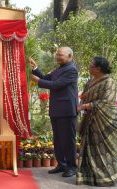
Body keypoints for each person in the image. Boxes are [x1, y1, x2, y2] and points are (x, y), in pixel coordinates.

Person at [29, 47, 78, 177]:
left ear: (69, 56)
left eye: (61, 55)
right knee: (58, 139)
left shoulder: (72, 70)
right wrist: (36, 69)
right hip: (56, 110)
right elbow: (47, 78)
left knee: (68, 140)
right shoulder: (59, 68)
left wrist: (38, 81)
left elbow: (55, 84)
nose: (57, 56)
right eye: (57, 54)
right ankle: (62, 165)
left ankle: (72, 167)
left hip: (67, 111)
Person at [76, 56, 117, 186]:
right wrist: (82, 103)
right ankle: (89, 176)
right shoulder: (90, 81)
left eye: (91, 65)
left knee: (104, 150)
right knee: (90, 146)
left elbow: (106, 101)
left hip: (105, 120)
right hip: (90, 119)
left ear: (98, 69)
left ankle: (107, 177)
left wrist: (85, 106)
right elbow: (84, 95)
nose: (89, 67)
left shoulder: (109, 82)